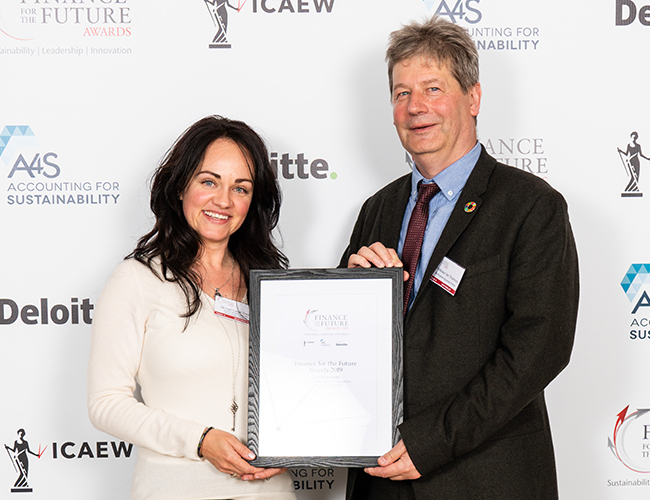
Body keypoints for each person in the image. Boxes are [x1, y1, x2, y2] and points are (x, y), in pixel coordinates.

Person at [340, 18, 579, 499]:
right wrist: (348, 294)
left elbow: (538, 350)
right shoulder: (378, 210)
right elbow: (345, 349)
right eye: (401, 93)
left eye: (433, 88)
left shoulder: (530, 206)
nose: (415, 107)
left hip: (486, 478)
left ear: (473, 98)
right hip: (380, 480)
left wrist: (431, 442)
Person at [87, 116, 295, 500]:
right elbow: (106, 403)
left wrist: (299, 444)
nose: (224, 201)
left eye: (241, 188)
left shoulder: (274, 286)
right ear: (181, 186)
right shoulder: (136, 279)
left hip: (270, 492)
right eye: (209, 181)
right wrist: (200, 440)